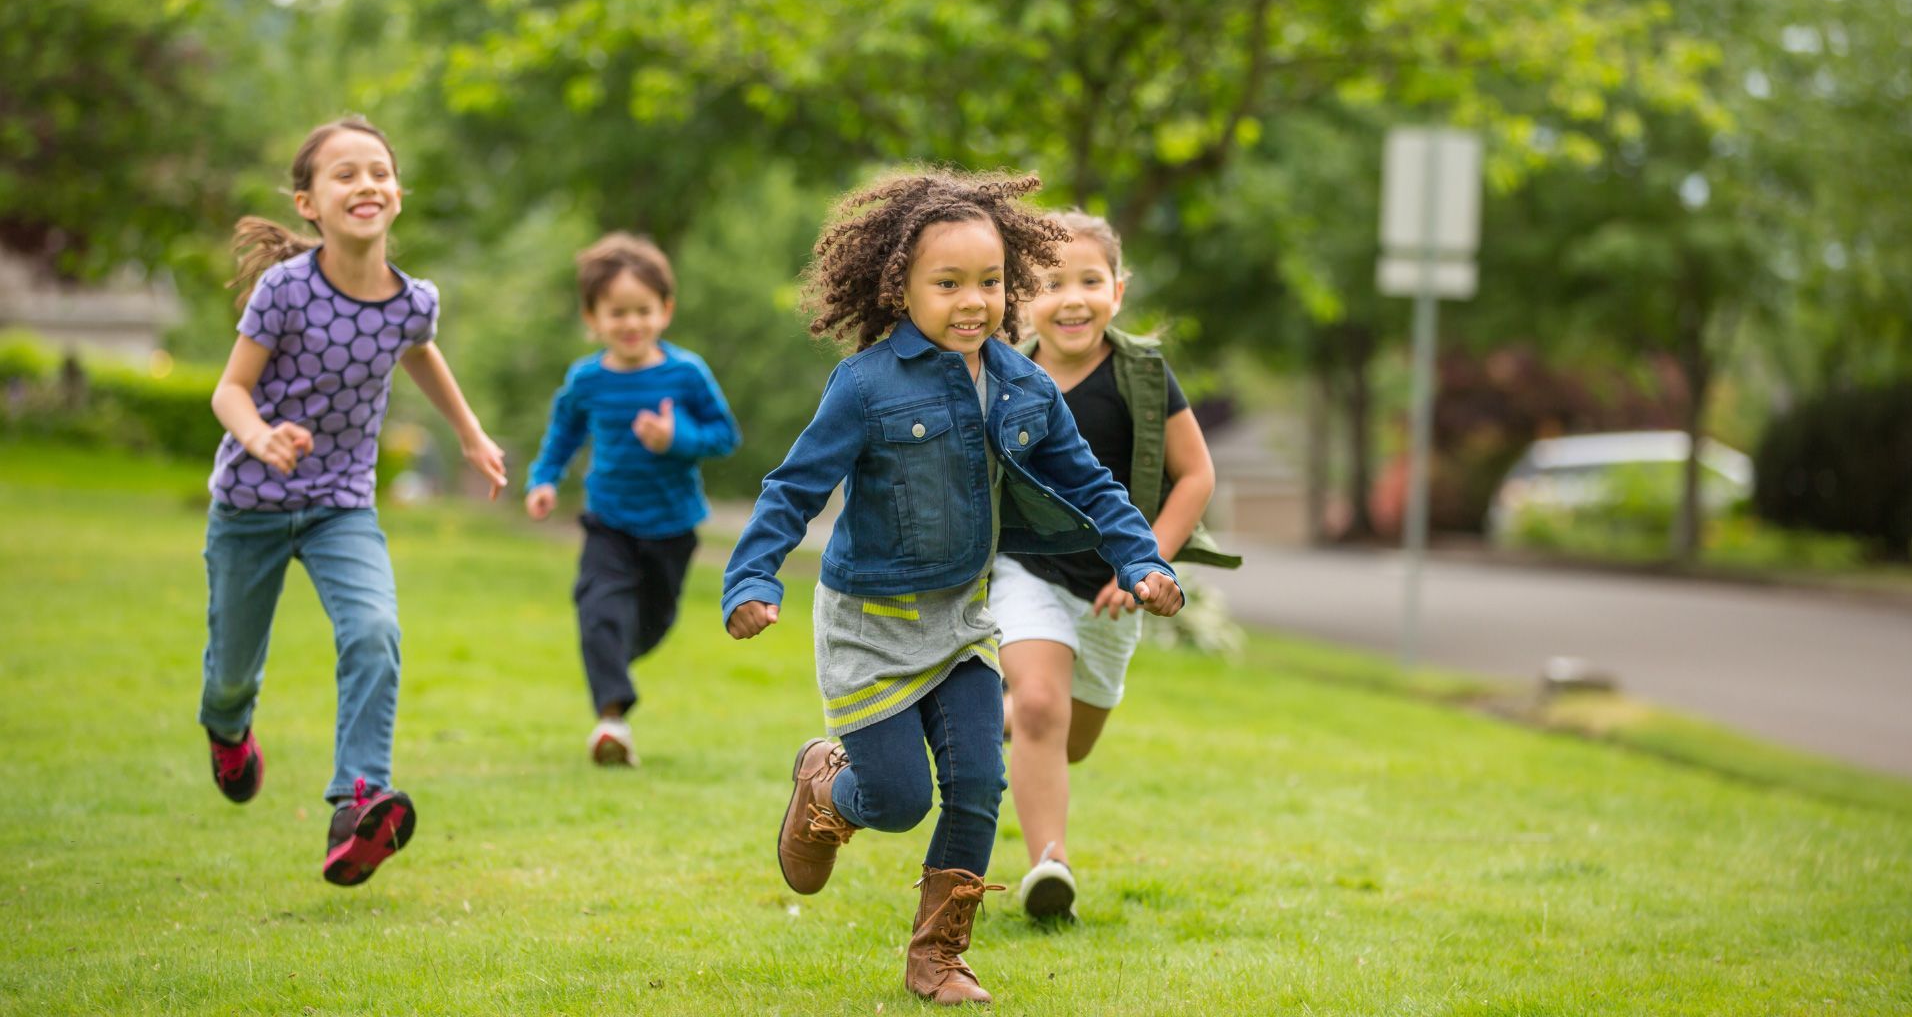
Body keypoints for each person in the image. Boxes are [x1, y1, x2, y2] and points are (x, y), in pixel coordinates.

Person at [721, 170, 1183, 1006]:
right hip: (870, 624)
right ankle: (826, 787)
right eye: (949, 284)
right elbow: (793, 489)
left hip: (964, 619)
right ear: (900, 287)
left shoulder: (1021, 384)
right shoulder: (864, 386)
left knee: (977, 780)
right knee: (894, 801)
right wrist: (751, 576)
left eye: (991, 282)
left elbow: (1091, 483)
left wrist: (1141, 559)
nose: (974, 302)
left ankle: (938, 958)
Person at [201, 115, 508, 886]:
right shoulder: (286, 290)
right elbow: (229, 390)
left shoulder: (413, 301)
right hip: (250, 502)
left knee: (374, 629)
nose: (365, 183)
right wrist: (262, 435)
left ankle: (358, 796)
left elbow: (420, 353)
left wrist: (470, 434)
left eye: (378, 171)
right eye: (345, 174)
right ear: (308, 203)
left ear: (397, 193)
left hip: (342, 503)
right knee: (232, 672)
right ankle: (228, 727)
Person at [990, 210, 1240, 922]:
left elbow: (1196, 476)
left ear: (1118, 291)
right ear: (1020, 299)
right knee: (1042, 706)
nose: (1072, 298)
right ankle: (1050, 866)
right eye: (1050, 282)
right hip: (1022, 570)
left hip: (1112, 589)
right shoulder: (1001, 375)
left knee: (1071, 740)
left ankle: (1003, 714)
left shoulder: (1143, 375)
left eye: (1089, 281)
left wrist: (1143, 564)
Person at [525, 233, 740, 767]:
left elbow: (724, 435)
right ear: (592, 317)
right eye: (616, 312)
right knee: (598, 609)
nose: (630, 323)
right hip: (610, 520)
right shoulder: (587, 379)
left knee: (648, 625)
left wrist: (676, 440)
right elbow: (563, 434)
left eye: (642, 310)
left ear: (665, 311)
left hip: (672, 526)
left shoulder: (685, 373)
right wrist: (544, 478)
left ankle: (613, 665)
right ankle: (612, 723)